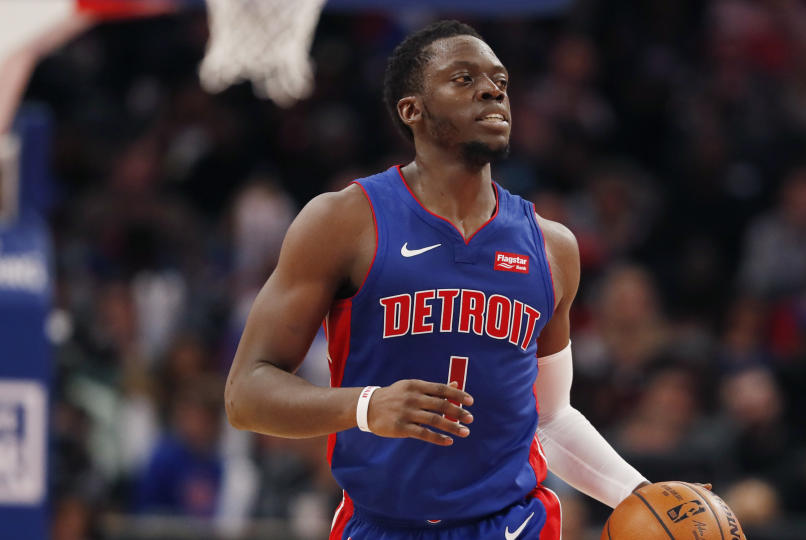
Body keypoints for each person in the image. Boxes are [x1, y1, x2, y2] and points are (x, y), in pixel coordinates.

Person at [225, 20, 679, 539]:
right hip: (383, 525)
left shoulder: (552, 247)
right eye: (463, 79)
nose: (492, 90)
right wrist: (368, 406)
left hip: (514, 525)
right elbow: (246, 393)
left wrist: (650, 498)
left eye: (500, 82)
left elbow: (551, 418)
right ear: (411, 109)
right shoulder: (344, 222)